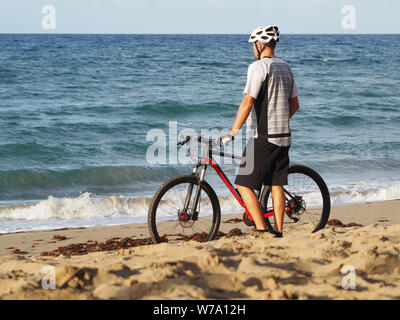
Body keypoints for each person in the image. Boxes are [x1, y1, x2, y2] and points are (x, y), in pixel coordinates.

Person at [217, 25, 300, 237]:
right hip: (284, 137)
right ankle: (279, 232)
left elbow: (247, 101)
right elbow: (295, 105)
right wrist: (280, 120)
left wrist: (232, 133)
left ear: (261, 44)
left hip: (263, 137)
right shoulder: (286, 67)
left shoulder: (258, 67)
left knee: (243, 184)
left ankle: (262, 228)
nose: (252, 49)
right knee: (276, 184)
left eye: (253, 44)